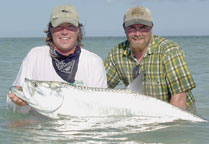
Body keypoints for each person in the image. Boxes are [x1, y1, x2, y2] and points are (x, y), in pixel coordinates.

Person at [7, 4, 107, 114]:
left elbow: (101, 108)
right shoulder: (35, 56)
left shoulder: (93, 61)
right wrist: (19, 104)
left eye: (70, 26)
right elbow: (12, 103)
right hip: (40, 128)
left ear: (78, 29)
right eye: (59, 26)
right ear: (50, 29)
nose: (64, 32)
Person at [104, 6, 196, 112]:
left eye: (143, 27)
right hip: (145, 114)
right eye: (132, 27)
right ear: (124, 28)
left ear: (152, 28)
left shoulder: (169, 50)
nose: (137, 34)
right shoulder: (116, 53)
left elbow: (179, 98)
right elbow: (102, 87)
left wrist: (172, 127)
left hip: (179, 114)